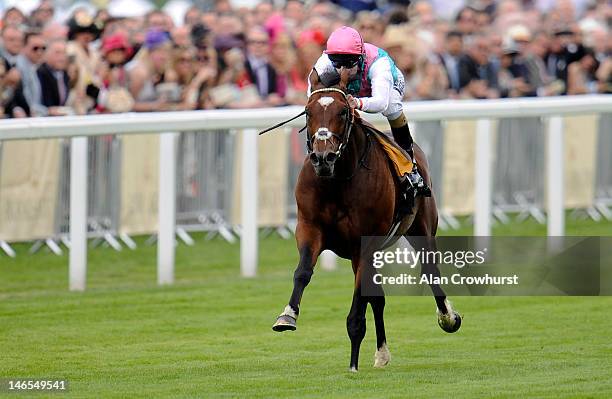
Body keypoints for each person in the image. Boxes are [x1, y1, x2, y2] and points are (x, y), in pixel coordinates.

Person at [307, 26, 430, 197]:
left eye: (349, 62)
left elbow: (380, 103)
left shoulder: (380, 65)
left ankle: (411, 167)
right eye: (337, 62)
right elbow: (312, 95)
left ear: (360, 57)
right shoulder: (325, 62)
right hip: (351, 91)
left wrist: (356, 102)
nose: (343, 69)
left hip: (385, 87)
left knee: (392, 109)